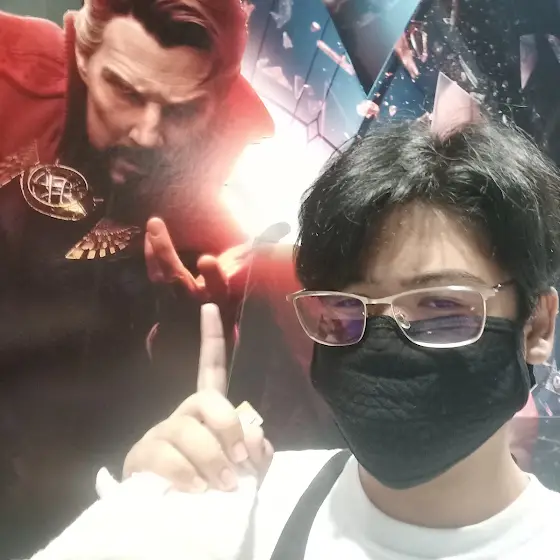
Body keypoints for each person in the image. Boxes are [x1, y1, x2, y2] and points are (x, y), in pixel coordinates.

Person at [35, 117, 560, 559]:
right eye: (346, 308)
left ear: (537, 325)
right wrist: (147, 504)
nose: (384, 340)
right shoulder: (244, 506)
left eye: (441, 306)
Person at [0, 1, 274, 556]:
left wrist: (179, 337)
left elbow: (194, 394)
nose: (148, 133)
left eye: (182, 109)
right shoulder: (10, 76)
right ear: (83, 54)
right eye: (124, 91)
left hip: (61, 459)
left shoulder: (219, 208)